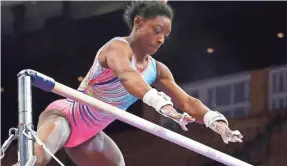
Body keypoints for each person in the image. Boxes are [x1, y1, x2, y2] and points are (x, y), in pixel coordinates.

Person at [15, 1, 243, 166]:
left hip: (91, 134)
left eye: (166, 34)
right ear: (138, 22)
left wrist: (218, 124)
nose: (162, 39)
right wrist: (160, 104)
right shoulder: (116, 47)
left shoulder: (158, 70)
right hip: (65, 116)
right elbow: (127, 76)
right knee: (34, 162)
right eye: (156, 30)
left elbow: (188, 101)